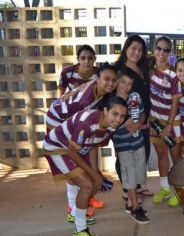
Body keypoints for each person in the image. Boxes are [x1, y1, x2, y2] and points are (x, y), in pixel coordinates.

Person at [43, 96, 128, 236]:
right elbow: (71, 151)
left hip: (75, 148)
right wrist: (92, 173)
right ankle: (80, 230)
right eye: (115, 114)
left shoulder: (111, 126)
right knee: (87, 185)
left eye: (122, 116)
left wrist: (96, 171)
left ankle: (75, 214)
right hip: (57, 147)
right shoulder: (87, 122)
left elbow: (93, 146)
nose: (118, 119)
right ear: (105, 110)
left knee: (94, 181)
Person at [46, 63, 117, 222]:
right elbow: (78, 127)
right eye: (106, 79)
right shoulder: (85, 101)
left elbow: (92, 140)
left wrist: (95, 170)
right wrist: (93, 172)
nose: (110, 83)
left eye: (114, 80)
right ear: (97, 78)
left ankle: (78, 206)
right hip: (57, 120)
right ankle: (74, 209)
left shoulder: (101, 92)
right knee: (74, 165)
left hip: (68, 121)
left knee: (81, 166)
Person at [114, 35, 153, 198]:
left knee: (143, 152)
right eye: (133, 48)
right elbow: (112, 97)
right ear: (126, 49)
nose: (136, 53)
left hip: (142, 118)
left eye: (140, 50)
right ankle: (127, 188)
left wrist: (145, 117)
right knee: (125, 154)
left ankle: (136, 185)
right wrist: (125, 119)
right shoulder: (117, 69)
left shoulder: (144, 69)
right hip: (125, 122)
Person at [111, 68, 150, 224]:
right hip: (123, 146)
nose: (126, 87)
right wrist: (124, 121)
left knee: (139, 174)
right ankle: (135, 208)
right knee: (130, 177)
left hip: (138, 142)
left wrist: (139, 123)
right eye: (122, 83)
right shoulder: (112, 102)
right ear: (117, 82)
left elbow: (142, 113)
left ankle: (129, 204)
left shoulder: (135, 97)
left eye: (129, 84)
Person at [149, 36, 182, 207]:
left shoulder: (173, 74)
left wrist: (169, 125)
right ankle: (165, 188)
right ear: (154, 50)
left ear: (170, 53)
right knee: (162, 155)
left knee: (176, 157)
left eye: (166, 49)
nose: (162, 52)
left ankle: (178, 190)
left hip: (172, 123)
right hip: (154, 122)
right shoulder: (148, 70)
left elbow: (176, 101)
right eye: (159, 48)